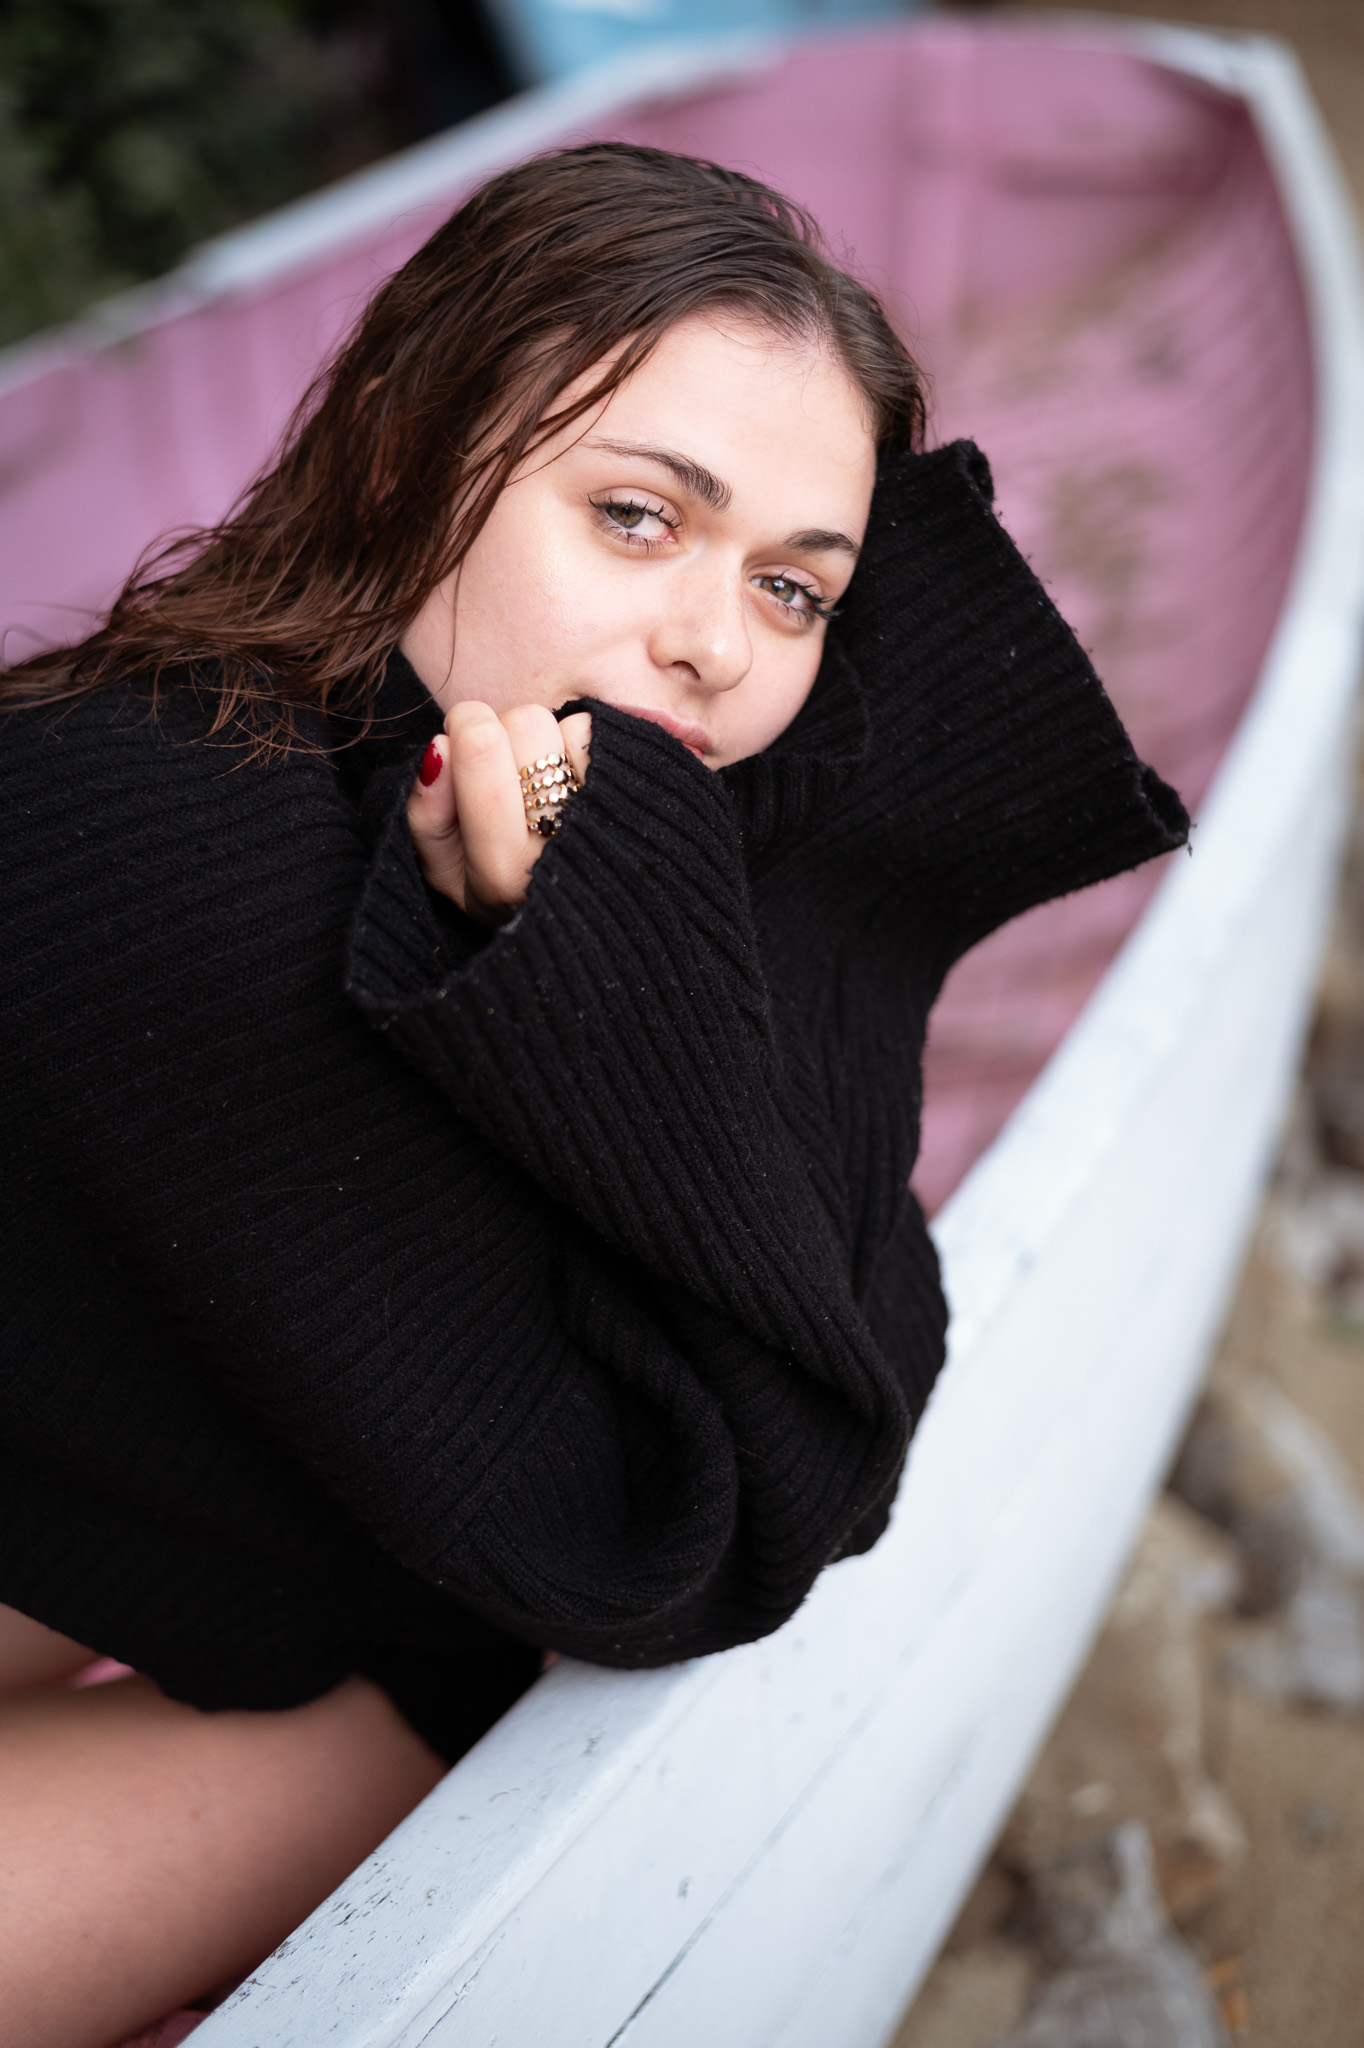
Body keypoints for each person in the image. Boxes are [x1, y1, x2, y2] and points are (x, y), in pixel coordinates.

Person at [0, 143, 1188, 2046]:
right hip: (208, 1553)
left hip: (189, 1550)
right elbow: (705, 1519)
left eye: (799, 591)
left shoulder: (534, 844)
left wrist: (610, 929)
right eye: (639, 517)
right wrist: (602, 962)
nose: (718, 644)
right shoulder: (170, 837)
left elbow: (818, 1383)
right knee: (438, 1676)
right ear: (404, 449)